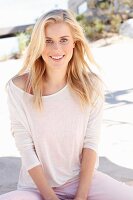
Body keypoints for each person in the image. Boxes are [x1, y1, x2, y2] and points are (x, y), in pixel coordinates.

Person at [0, 9, 133, 200]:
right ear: (38, 44)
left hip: (83, 182)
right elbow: (26, 149)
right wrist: (51, 197)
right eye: (48, 41)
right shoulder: (18, 88)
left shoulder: (91, 86)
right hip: (36, 189)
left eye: (63, 40)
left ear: (74, 43)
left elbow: (91, 144)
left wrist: (81, 196)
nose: (56, 49)